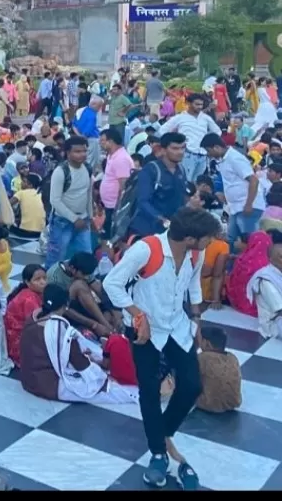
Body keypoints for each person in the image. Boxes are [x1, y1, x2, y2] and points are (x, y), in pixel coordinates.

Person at [103, 206, 218, 490]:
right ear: (190, 237)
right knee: (150, 390)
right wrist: (137, 314)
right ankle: (158, 452)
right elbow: (111, 283)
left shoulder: (195, 253)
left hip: (178, 326)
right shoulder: (147, 249)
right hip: (145, 330)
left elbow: (192, 285)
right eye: (207, 238)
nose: (210, 244)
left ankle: (162, 433)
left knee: (191, 386)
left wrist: (196, 319)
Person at [19, 284, 139, 405]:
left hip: (28, 379)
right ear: (66, 305)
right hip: (51, 385)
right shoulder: (62, 332)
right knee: (113, 391)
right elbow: (82, 365)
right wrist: (100, 374)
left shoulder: (33, 318)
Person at [203, 132, 265, 244]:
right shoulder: (223, 160)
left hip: (247, 206)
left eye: (208, 150)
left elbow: (253, 180)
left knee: (248, 241)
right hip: (236, 207)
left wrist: (249, 204)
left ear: (216, 147)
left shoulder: (235, 158)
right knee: (231, 240)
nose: (209, 154)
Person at [45, 136, 92, 267]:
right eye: (77, 151)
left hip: (83, 219)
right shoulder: (61, 172)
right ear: (68, 153)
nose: (82, 154)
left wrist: (90, 216)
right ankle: (51, 284)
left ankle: (84, 284)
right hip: (62, 222)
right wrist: (74, 219)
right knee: (56, 257)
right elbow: (55, 201)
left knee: (86, 256)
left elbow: (88, 194)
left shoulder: (87, 168)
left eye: (84, 151)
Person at [4, 264, 47, 367]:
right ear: (27, 282)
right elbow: (37, 327)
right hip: (20, 344)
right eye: (37, 279)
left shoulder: (34, 293)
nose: (43, 282)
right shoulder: (29, 299)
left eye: (44, 278)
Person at [195, 325, 243, 413]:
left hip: (208, 404)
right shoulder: (233, 357)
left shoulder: (203, 358)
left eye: (199, 340)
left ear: (206, 343)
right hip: (233, 403)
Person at [247, 231, 282, 340]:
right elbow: (279, 309)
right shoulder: (265, 279)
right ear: (270, 259)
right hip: (274, 324)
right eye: (281, 257)